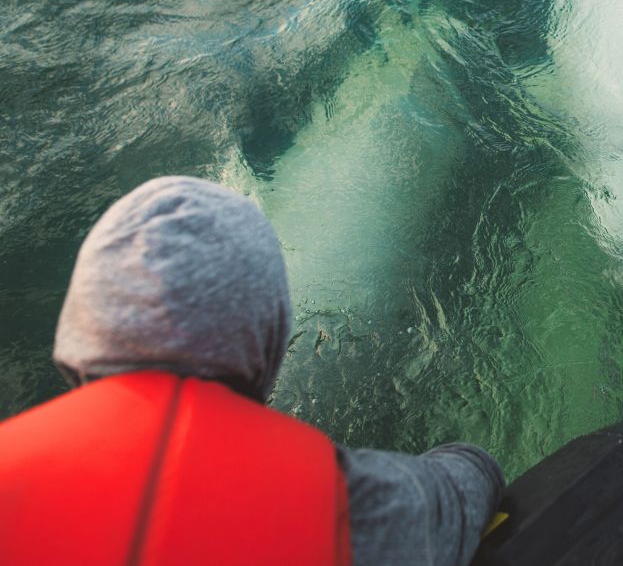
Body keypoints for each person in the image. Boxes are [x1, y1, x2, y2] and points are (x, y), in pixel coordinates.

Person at [0, 175, 503, 565]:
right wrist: (466, 463)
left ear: (83, 320)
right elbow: (469, 483)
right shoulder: (336, 503)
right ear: (268, 328)